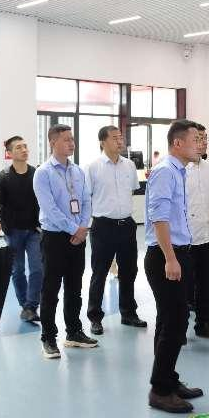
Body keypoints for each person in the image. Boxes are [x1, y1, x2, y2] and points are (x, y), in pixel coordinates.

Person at [144, 120, 204, 413]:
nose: (200, 144)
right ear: (178, 143)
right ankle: (160, 390)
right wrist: (170, 258)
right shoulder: (166, 171)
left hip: (178, 253)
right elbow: (159, 218)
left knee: (173, 321)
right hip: (165, 255)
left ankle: (168, 378)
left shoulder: (179, 171)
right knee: (174, 322)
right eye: (195, 139)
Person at [32, 124, 98, 359]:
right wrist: (75, 229)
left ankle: (74, 333)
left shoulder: (77, 171)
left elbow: (86, 201)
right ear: (53, 142)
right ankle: (48, 338)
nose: (72, 143)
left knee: (74, 287)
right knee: (50, 290)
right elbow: (49, 209)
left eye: (72, 139)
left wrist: (83, 227)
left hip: (78, 236)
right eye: (66, 139)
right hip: (54, 238)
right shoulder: (43, 173)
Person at [85, 126, 147, 336]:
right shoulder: (92, 167)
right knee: (100, 273)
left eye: (121, 137)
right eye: (114, 138)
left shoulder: (129, 165)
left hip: (127, 225)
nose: (120, 141)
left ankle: (128, 313)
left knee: (129, 271)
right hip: (103, 226)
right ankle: (95, 317)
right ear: (102, 142)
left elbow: (132, 191)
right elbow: (86, 197)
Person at [0, 136, 42, 323]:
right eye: (19, 147)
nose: (24, 150)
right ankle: (25, 305)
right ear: (9, 153)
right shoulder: (3, 177)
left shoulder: (36, 174)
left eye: (25, 146)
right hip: (13, 231)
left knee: (37, 268)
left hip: (34, 230)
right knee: (17, 270)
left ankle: (31, 306)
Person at [184, 123, 209, 340]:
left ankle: (203, 323)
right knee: (183, 285)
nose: (203, 143)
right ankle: (180, 328)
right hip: (184, 237)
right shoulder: (178, 168)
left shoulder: (207, 167)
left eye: (205, 138)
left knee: (205, 282)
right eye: (198, 138)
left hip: (206, 234)